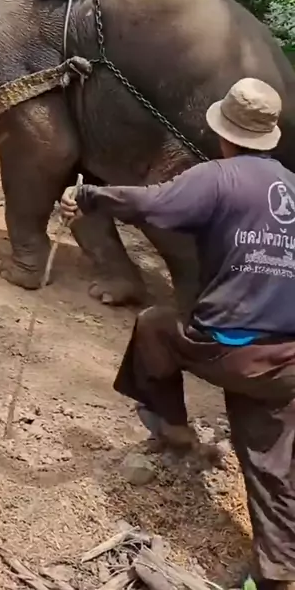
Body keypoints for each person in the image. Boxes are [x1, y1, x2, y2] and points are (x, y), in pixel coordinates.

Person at [60, 77, 295, 590]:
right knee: (270, 461)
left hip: (229, 349)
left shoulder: (219, 177)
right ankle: (279, 573)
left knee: (154, 326)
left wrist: (91, 195)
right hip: (286, 362)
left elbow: (154, 205)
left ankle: (172, 427)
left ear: (225, 133)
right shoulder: (292, 187)